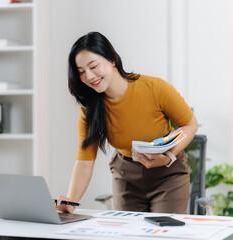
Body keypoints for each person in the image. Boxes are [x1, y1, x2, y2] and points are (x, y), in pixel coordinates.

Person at [55, 31, 198, 214]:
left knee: (163, 233)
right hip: (126, 177)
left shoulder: (155, 88)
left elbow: (190, 124)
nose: (89, 77)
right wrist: (71, 201)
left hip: (167, 173)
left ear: (112, 59)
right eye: (81, 72)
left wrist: (169, 156)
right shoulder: (90, 111)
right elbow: (84, 161)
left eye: (93, 66)